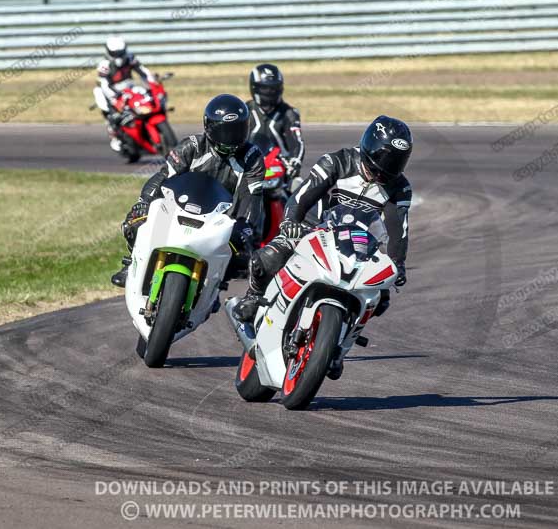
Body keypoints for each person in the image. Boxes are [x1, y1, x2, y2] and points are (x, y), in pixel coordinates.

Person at [232, 115, 413, 378]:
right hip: (310, 229)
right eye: (385, 159)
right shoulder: (337, 161)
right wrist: (291, 221)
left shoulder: (400, 188)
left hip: (359, 246)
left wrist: (398, 263)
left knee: (380, 296)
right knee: (267, 259)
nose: (386, 169)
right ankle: (252, 298)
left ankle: (341, 348)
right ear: (370, 147)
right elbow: (302, 195)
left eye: (396, 161)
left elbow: (399, 230)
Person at [110, 94, 265, 287]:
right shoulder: (191, 146)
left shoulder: (252, 157)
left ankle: (216, 286)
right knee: (134, 222)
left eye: (237, 130)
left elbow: (252, 196)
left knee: (246, 258)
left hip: (219, 218)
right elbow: (163, 177)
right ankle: (133, 263)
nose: (232, 138)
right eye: (226, 132)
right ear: (209, 127)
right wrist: (144, 203)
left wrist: (245, 225)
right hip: (178, 207)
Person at [94, 36, 156, 152]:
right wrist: (115, 97)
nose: (119, 56)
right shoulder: (104, 65)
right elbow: (104, 85)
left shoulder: (129, 57)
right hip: (109, 91)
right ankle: (113, 134)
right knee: (109, 111)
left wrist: (152, 81)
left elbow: (143, 71)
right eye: (116, 53)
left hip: (128, 87)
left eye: (120, 52)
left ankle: (144, 127)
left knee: (145, 98)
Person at [246, 64, 305, 186]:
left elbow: (297, 141)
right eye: (264, 88)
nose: (269, 92)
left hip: (282, 169)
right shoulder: (245, 110)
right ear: (254, 88)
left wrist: (295, 162)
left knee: (299, 188)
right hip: (248, 166)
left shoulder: (289, 113)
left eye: (273, 88)